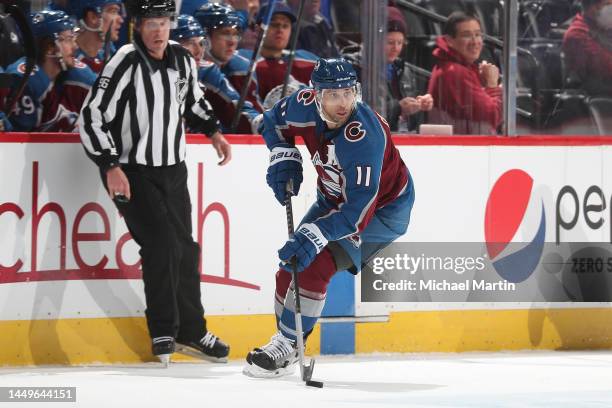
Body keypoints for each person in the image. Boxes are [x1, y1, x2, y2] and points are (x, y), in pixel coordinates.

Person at [78, 0, 231, 366]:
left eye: (164, 23)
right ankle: (164, 330)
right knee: (162, 245)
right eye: (151, 24)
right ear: (138, 26)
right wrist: (110, 165)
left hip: (172, 169)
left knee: (186, 249)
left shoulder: (182, 58)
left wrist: (214, 133)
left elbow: (192, 101)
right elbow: (91, 115)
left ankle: (191, 331)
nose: (158, 31)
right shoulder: (126, 61)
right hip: (132, 171)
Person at [243, 58, 415, 377]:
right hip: (334, 198)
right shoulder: (301, 105)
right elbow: (271, 123)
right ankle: (285, 342)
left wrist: (318, 233)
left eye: (348, 93)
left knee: (315, 265)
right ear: (315, 94)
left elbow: (357, 212)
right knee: (291, 264)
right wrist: (283, 153)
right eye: (333, 94)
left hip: (381, 211)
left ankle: (289, 344)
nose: (343, 102)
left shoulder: (365, 136)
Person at [2, 9, 96, 132]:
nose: (75, 46)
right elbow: (18, 143)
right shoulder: (27, 80)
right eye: (68, 39)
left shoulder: (78, 75)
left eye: (73, 38)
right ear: (49, 48)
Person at [171, 13, 260, 133]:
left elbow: (238, 107)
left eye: (201, 43)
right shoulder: (145, 74)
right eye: (190, 43)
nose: (199, 51)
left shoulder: (206, 70)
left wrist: (264, 124)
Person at [427, 11, 502, 135]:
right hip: (461, 151)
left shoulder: (456, 67)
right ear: (450, 40)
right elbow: (491, 117)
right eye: (466, 35)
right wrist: (492, 85)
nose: (475, 41)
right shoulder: (455, 72)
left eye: (478, 35)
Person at [240, 2, 318, 110]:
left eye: (285, 26)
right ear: (258, 29)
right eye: (274, 24)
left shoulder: (308, 59)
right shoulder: (244, 61)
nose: (280, 30)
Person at [195, 3, 263, 112]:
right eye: (225, 33)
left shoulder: (242, 69)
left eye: (236, 34)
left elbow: (253, 115)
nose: (232, 42)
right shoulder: (185, 67)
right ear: (204, 37)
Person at [385, 6, 432, 132]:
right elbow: (361, 114)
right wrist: (398, 108)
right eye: (390, 42)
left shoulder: (404, 70)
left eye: (400, 43)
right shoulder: (358, 68)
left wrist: (420, 105)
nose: (396, 48)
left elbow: (413, 123)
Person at [562, 0, 612, 96]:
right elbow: (607, 67)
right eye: (608, 4)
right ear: (594, 8)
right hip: (599, 96)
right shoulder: (577, 34)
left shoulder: (603, 26)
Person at [74, 0, 126, 73]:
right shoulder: (70, 58)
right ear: (93, 17)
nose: (121, 20)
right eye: (113, 11)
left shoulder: (109, 48)